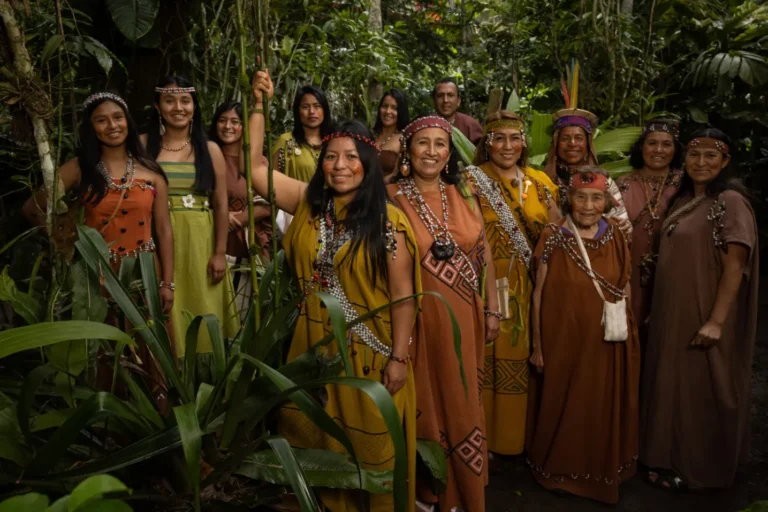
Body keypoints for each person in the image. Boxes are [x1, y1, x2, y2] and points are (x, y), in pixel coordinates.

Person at [250, 70, 418, 512]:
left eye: (350, 157)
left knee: (368, 448)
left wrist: (399, 358)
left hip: (369, 353)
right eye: (330, 157)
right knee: (315, 440)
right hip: (312, 347)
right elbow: (255, 169)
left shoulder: (389, 223)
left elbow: (404, 296)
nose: (339, 166)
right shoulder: (309, 205)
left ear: (368, 164)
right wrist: (258, 105)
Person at [23, 91, 174, 397]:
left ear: (128, 122)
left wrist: (167, 283)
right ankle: (109, 420)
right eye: (101, 120)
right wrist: (66, 242)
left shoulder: (151, 172)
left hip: (145, 272)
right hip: (99, 276)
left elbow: (164, 231)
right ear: (91, 127)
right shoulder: (80, 168)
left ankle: (158, 417)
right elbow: (33, 208)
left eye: (118, 118)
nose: (112, 126)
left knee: (151, 348)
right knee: (106, 350)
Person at [388, 115, 499, 512]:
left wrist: (493, 308)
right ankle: (425, 492)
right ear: (408, 150)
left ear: (450, 152)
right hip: (416, 320)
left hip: (465, 318)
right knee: (425, 401)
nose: (431, 152)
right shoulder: (389, 196)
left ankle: (461, 492)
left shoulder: (464, 192)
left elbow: (485, 253)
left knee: (461, 397)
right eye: (423, 143)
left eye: (440, 144)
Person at [641, 129, 759, 491]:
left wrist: (716, 321)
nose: (701, 163)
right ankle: (669, 458)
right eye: (694, 155)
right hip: (673, 312)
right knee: (673, 383)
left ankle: (702, 468)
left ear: (725, 162)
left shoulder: (729, 201)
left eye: (711, 156)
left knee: (703, 386)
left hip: (705, 310)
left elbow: (735, 266)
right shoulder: (685, 199)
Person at [527, 168, 640, 505]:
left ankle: (601, 472)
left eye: (596, 198)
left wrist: (628, 328)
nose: (588, 206)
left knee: (601, 402)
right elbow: (538, 294)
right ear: (569, 199)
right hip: (563, 339)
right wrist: (537, 346)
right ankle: (561, 471)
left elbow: (625, 282)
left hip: (607, 340)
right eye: (581, 197)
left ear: (606, 201)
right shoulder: (552, 235)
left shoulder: (615, 233)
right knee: (564, 401)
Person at [463, 111, 560, 458]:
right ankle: (484, 438)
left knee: (531, 356)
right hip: (487, 283)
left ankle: (524, 438)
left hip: (534, 285)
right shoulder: (471, 180)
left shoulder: (542, 183)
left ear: (524, 143)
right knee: (487, 358)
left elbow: (557, 234)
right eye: (499, 138)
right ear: (487, 143)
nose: (507, 146)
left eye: (514, 138)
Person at [143, 76, 239, 363]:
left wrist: (220, 252)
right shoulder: (143, 145)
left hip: (200, 239)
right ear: (157, 107)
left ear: (195, 106)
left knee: (203, 305)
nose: (178, 107)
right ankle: (168, 375)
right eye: (169, 101)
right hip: (155, 236)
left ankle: (206, 376)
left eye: (185, 101)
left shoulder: (210, 149)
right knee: (163, 308)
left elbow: (221, 204)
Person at [616, 118, 684, 344]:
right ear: (641, 147)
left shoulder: (686, 185)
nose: (658, 150)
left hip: (673, 270)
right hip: (629, 269)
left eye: (667, 144)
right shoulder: (623, 183)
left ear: (675, 150)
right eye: (652, 143)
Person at [209, 100, 272, 322]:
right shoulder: (205, 157)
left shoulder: (258, 162)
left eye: (235, 122)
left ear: (245, 126)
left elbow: (267, 204)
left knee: (241, 317)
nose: (228, 126)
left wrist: (236, 220)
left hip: (247, 249)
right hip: (210, 246)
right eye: (222, 120)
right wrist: (220, 216)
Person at [543, 108, 631, 236]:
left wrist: (624, 227)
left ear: (587, 144)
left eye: (579, 138)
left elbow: (620, 221)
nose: (572, 143)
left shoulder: (604, 181)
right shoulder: (541, 181)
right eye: (565, 138)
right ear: (556, 143)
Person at [273, 85, 333, 183]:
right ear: (298, 111)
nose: (312, 111)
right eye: (305, 107)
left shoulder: (334, 141)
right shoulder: (286, 141)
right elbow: (274, 181)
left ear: (324, 110)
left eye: (317, 106)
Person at [432, 78, 483, 145]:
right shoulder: (425, 125)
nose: (445, 100)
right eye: (440, 96)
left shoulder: (471, 125)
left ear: (458, 101)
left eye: (450, 95)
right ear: (434, 101)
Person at [373, 88, 409, 178]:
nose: (388, 111)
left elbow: (397, 174)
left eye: (394, 108)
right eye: (385, 106)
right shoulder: (371, 135)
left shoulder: (404, 139)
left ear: (401, 112)